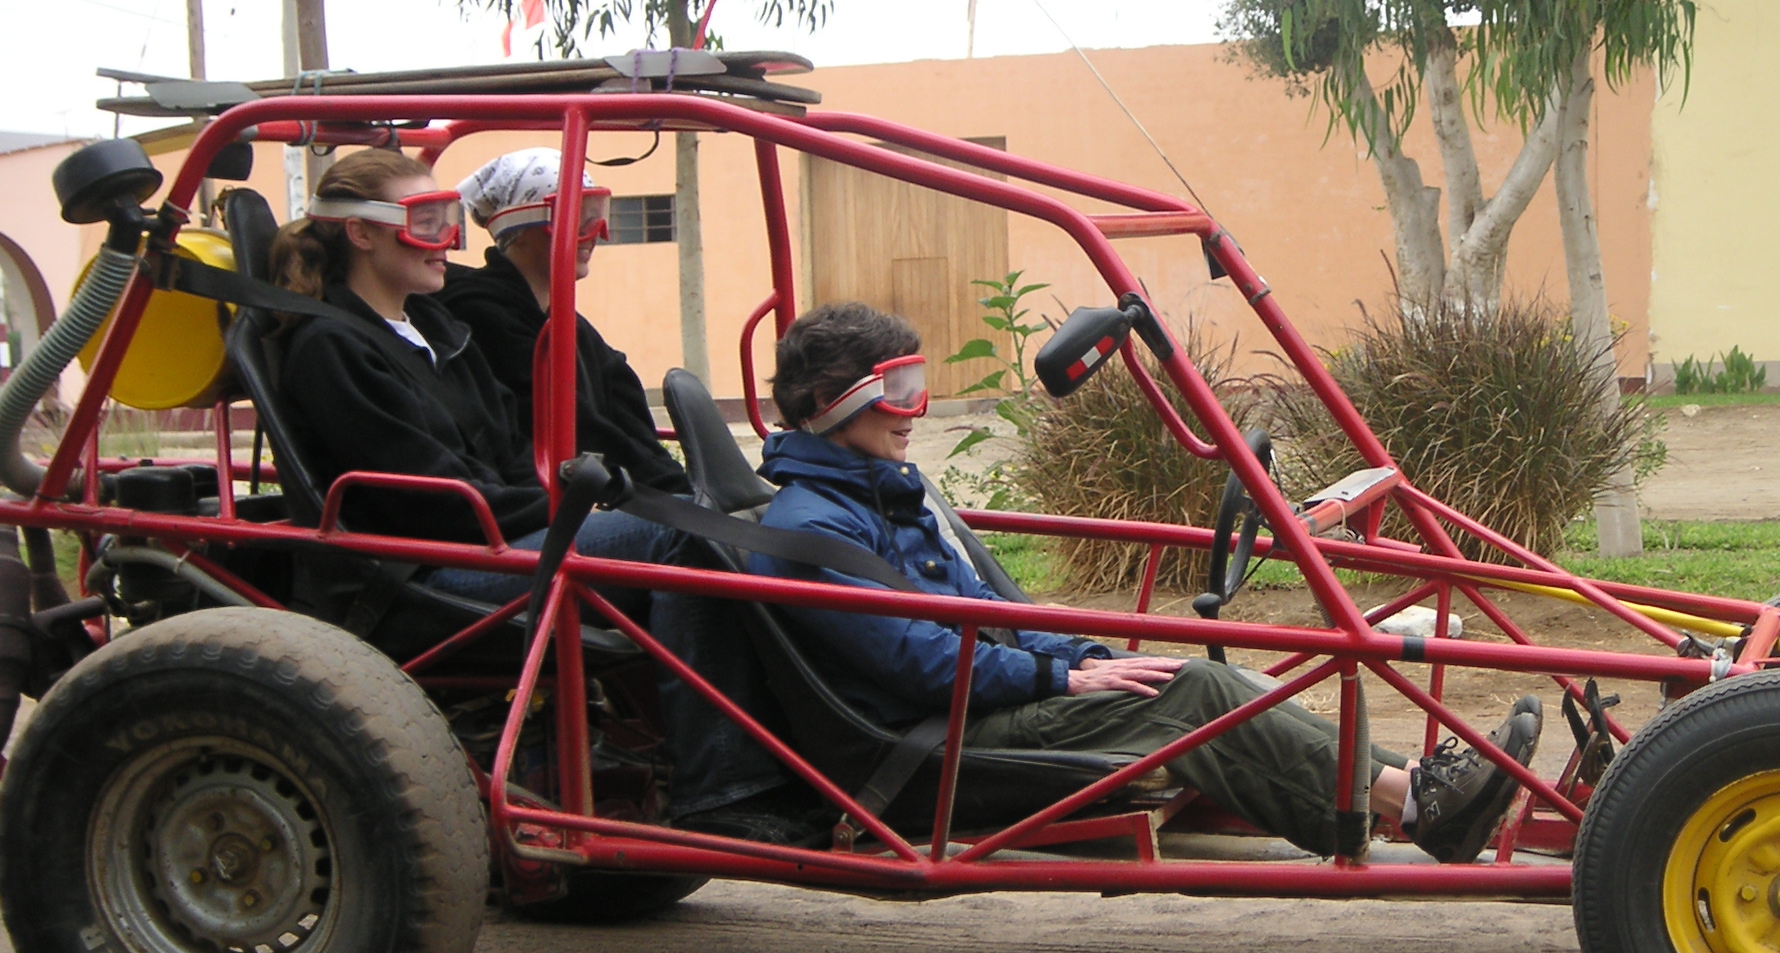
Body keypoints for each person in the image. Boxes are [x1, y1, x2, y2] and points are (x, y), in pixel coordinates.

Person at [747, 302, 1543, 863]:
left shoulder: (886, 492)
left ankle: (1419, 788)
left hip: (974, 706)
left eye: (915, 384)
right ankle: (1417, 804)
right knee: (1194, 690)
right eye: (895, 391)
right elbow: (918, 662)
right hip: (931, 749)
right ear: (827, 403)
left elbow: (991, 613)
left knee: (1182, 676)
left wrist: (1078, 655)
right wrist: (1062, 673)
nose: (914, 409)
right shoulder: (813, 528)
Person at [270, 149, 790, 828]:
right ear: (361, 233)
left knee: (704, 521)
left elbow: (511, 452)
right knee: (680, 530)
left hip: (490, 540)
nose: (448, 240)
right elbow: (427, 498)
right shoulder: (330, 347)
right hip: (421, 574)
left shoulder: (432, 326)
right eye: (426, 222)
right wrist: (567, 502)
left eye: (449, 219)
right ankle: (722, 789)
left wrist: (574, 494)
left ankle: (767, 758)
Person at [443, 147, 691, 495]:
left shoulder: (567, 324)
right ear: (520, 228)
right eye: (577, 219)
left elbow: (626, 418)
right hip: (556, 506)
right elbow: (576, 426)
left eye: (595, 215)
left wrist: (682, 494)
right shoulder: (484, 317)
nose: (597, 234)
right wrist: (676, 501)